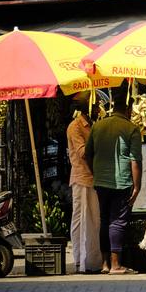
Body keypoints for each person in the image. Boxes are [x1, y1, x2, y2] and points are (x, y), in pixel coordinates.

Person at [85, 83, 142, 275]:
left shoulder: (98, 126)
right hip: (122, 181)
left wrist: (96, 172)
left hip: (101, 181)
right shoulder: (131, 128)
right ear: (128, 109)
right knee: (117, 221)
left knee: (104, 220)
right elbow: (135, 160)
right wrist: (137, 186)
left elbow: (88, 153)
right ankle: (116, 265)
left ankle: (105, 264)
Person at [66, 91, 103, 274]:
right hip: (82, 178)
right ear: (88, 107)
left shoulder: (92, 126)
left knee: (94, 221)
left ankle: (92, 262)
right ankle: (80, 261)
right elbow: (82, 153)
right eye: (96, 106)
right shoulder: (75, 127)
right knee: (81, 221)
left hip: (92, 179)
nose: (99, 109)